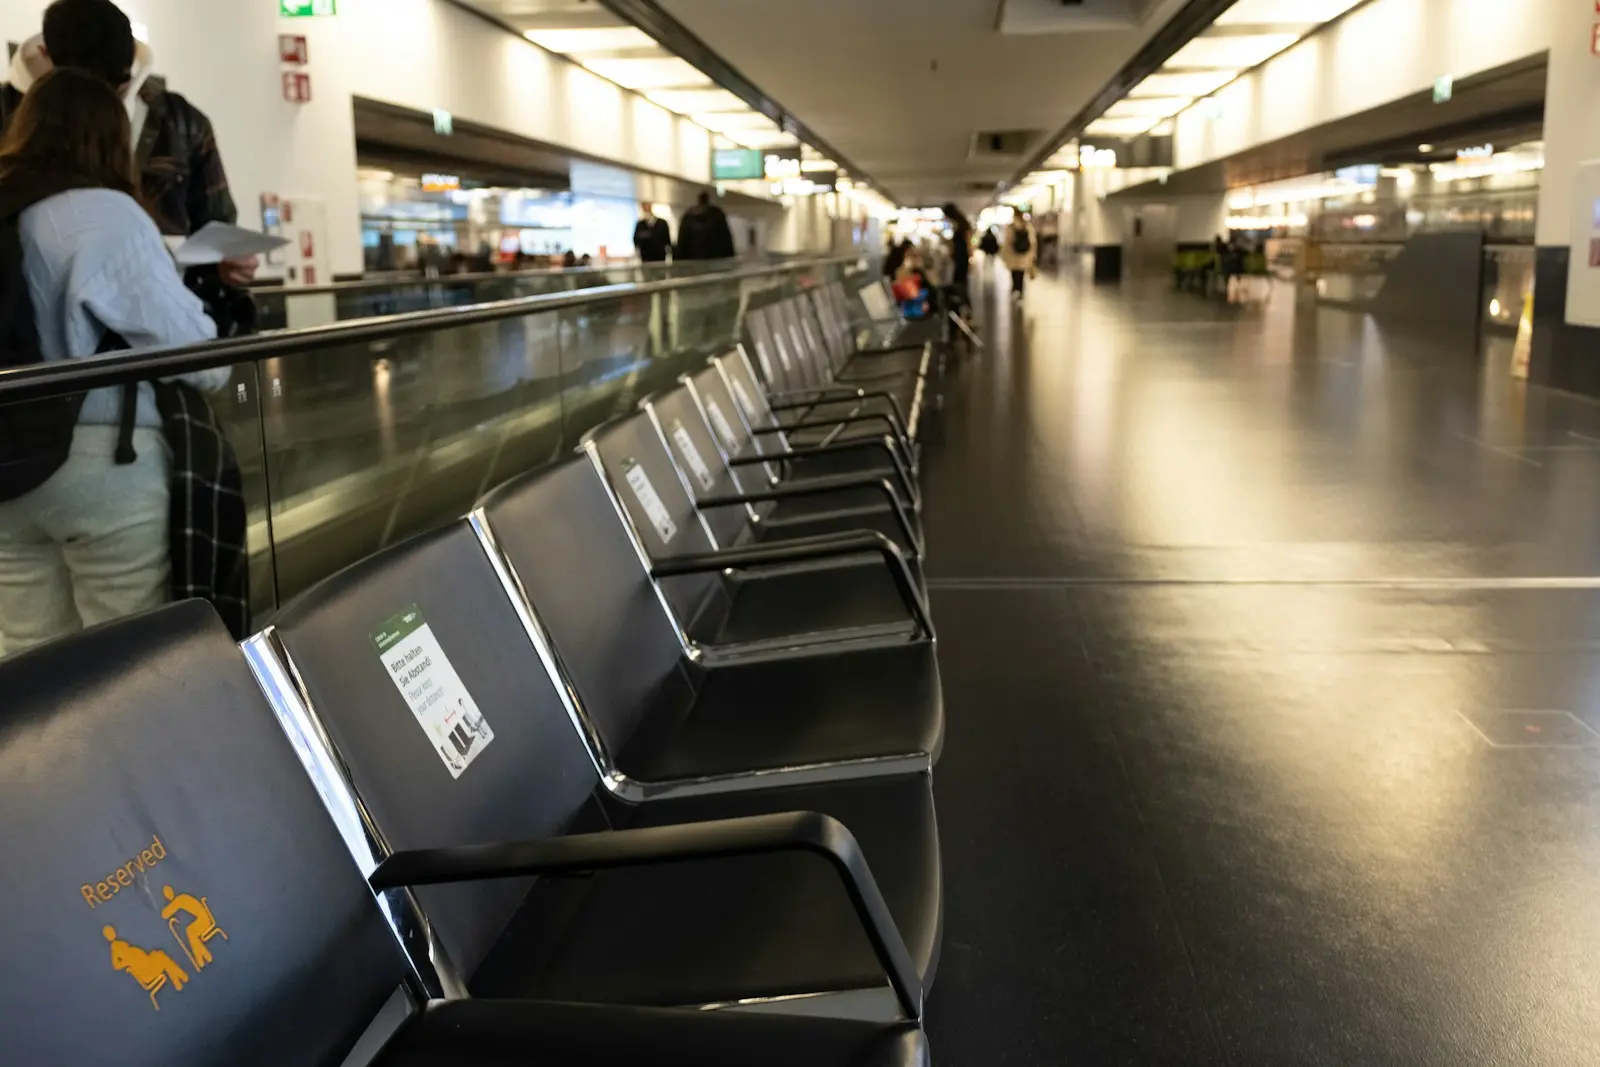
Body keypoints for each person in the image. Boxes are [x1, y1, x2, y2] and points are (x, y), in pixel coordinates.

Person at [0, 68, 227, 656]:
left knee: (26, 667)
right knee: (130, 662)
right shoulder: (103, 213)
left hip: (5, 468)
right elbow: (200, 357)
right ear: (109, 137)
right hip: (103, 462)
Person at [2, 0, 259, 291]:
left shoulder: (181, 123)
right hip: (27, 312)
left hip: (164, 305)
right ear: (44, 55)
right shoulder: (6, 111)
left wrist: (227, 266)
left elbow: (218, 229)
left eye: (113, 89)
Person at [675, 190, 735, 261]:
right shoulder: (716, 215)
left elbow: (682, 243)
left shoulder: (688, 216)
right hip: (714, 260)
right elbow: (726, 240)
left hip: (692, 260)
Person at [943, 202, 972, 316]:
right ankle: (965, 310)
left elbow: (967, 243)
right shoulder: (962, 224)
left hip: (961, 259)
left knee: (959, 284)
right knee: (961, 284)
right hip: (961, 258)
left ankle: (965, 310)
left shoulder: (959, 226)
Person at [1002, 214, 1037, 300]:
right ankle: (1020, 291)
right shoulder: (1027, 226)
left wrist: (1005, 254)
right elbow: (1032, 242)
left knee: (1014, 273)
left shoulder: (1011, 227)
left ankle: (1015, 289)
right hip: (1024, 255)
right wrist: (1032, 255)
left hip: (1013, 255)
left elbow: (1007, 241)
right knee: (1021, 274)